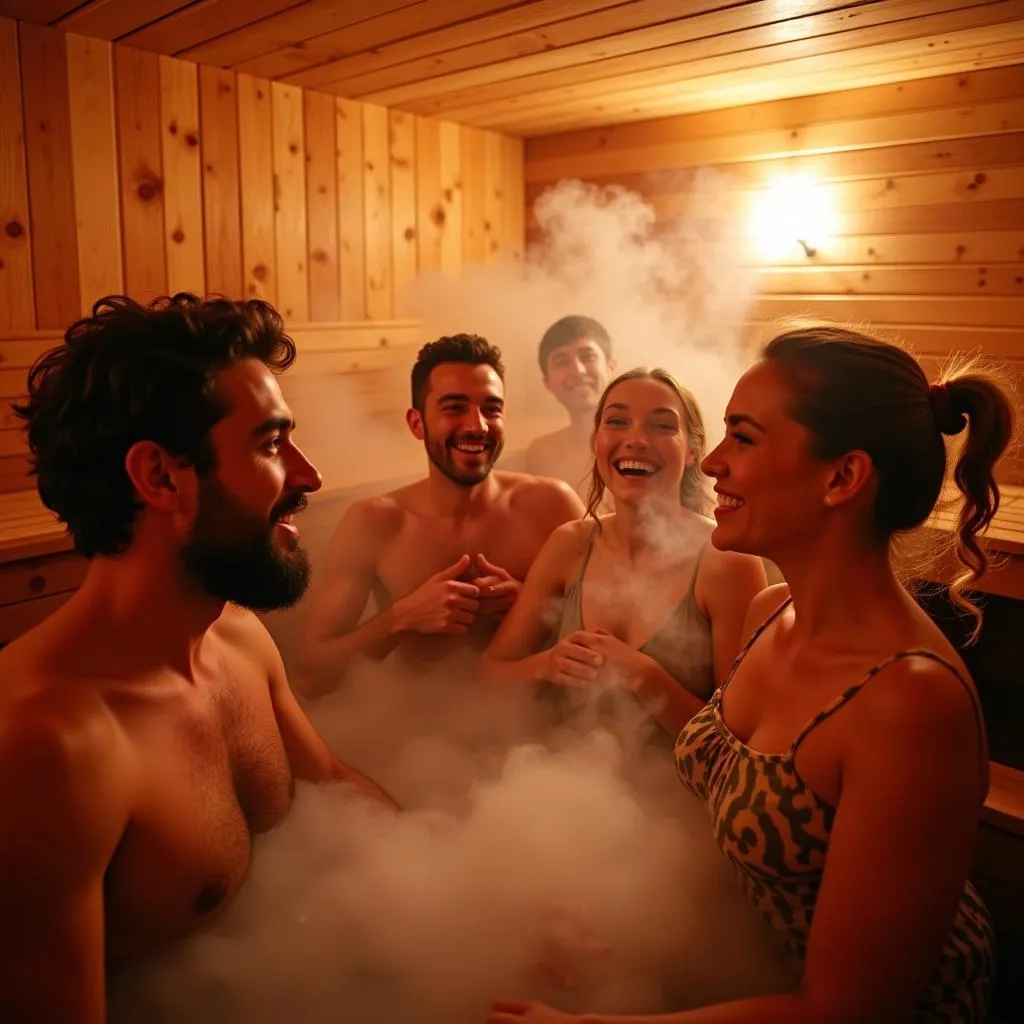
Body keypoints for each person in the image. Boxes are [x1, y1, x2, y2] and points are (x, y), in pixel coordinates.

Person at [488, 324, 1013, 1024]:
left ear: (842, 477)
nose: (710, 464)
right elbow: (732, 825)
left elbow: (846, 1008)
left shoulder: (909, 704)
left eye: (744, 437)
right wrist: (610, 913)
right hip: (750, 957)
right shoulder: (773, 613)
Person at [0, 294, 397, 1023]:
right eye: (272, 445)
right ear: (160, 478)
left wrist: (466, 885)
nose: (309, 477)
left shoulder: (237, 637)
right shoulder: (48, 745)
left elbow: (330, 782)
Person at [482, 368, 767, 740]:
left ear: (693, 450)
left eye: (662, 426)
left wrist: (644, 677)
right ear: (597, 441)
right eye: (617, 421)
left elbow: (740, 740)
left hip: (674, 794)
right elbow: (488, 676)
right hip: (553, 779)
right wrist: (546, 666)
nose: (636, 439)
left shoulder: (726, 561)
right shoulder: (570, 544)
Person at [297, 333, 585, 698]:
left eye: (491, 409)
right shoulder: (374, 523)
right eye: (454, 407)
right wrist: (400, 620)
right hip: (424, 730)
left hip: (539, 726)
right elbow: (311, 677)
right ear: (417, 423)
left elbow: (609, 636)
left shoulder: (553, 505)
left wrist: (537, 609)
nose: (477, 426)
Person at [525, 316, 617, 503]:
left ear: (611, 367)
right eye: (561, 362)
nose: (577, 370)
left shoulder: (640, 440)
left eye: (587, 356)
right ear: (548, 383)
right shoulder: (542, 453)